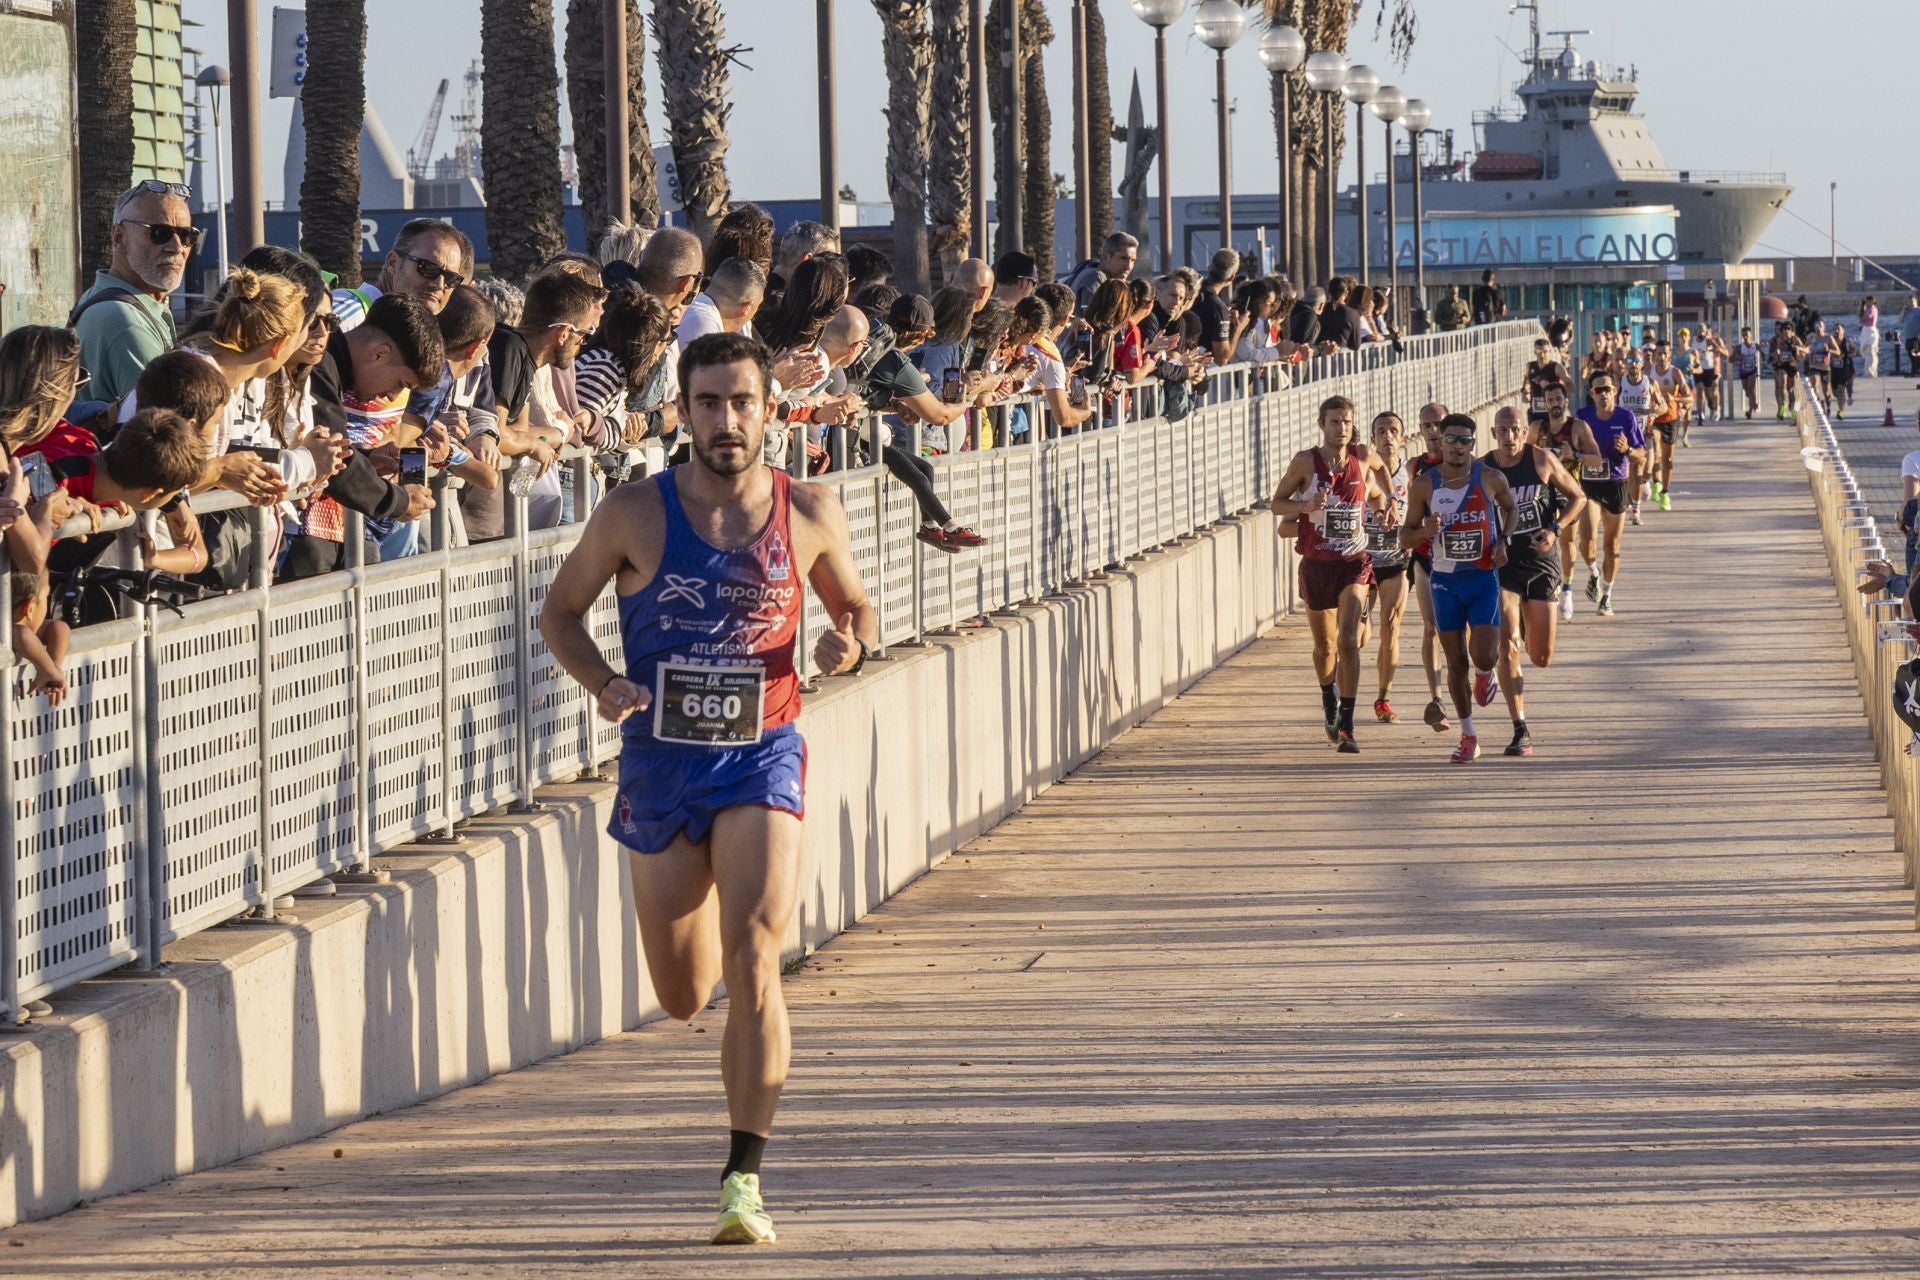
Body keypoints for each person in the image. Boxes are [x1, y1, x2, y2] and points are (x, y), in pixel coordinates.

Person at [537, 331, 877, 1248]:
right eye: (709, 404)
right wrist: (603, 682)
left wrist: (847, 641)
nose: (727, 422)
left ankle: (743, 1179)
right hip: (659, 764)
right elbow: (559, 613)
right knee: (685, 993)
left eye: (742, 403)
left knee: (757, 956)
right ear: (682, 412)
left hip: (762, 751)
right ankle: (727, 1110)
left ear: (772, 408)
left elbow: (853, 604)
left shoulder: (808, 508)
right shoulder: (631, 513)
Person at [1399, 412, 1516, 764]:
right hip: (1445, 583)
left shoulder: (1490, 478)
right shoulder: (1424, 484)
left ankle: (1486, 675)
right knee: (1454, 662)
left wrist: (1504, 542)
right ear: (1440, 441)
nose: (1456, 447)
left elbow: (1512, 510)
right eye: (1450, 439)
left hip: (1481, 579)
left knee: (1483, 654)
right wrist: (1424, 531)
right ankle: (1469, 736)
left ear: (1473, 444)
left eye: (1464, 441)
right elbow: (1404, 536)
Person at [1270, 395, 1384, 754]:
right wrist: (1304, 506)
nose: (1342, 428)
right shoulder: (1306, 462)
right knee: (1325, 648)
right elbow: (1276, 504)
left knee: (1348, 640)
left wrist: (1388, 505)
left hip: (1353, 562)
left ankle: (1348, 726)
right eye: (1335, 422)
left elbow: (1380, 483)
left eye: (1347, 422)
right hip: (1317, 565)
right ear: (1322, 425)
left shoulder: (1362, 457)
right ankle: (1328, 699)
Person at [1483, 406, 1586, 757]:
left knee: (1540, 656)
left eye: (1515, 430)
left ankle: (1522, 633)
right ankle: (1520, 728)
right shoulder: (1483, 470)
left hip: (1541, 563)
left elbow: (1578, 497)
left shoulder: (1541, 460)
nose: (1509, 437)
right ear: (1493, 433)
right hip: (1504, 565)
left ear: (1524, 431)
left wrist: (1555, 530)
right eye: (1503, 430)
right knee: (1508, 643)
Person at [70, 180, 196, 401]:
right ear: (119, 236)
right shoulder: (126, 322)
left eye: (186, 236)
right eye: (160, 232)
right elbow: (167, 424)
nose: (177, 247)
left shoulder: (101, 298)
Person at [1573, 370, 1645, 617]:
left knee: (1612, 546)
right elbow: (1571, 447)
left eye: (1607, 388)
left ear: (1616, 391)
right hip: (1590, 484)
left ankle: (1607, 594)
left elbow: (1641, 455)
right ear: (1591, 394)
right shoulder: (1582, 417)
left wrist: (1627, 450)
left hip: (1616, 483)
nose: (1603, 394)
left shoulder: (1627, 418)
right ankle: (1593, 572)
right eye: (1597, 390)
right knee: (1587, 541)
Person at [1532, 381, 1601, 622]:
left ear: (1566, 401)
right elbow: (1523, 455)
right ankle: (1550, 584)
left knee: (1568, 543)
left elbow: (1597, 460)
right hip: (1542, 494)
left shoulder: (1578, 427)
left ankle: (1568, 591)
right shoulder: (1537, 428)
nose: (1554, 404)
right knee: (1543, 541)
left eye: (1558, 399)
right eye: (1550, 400)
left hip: (1570, 492)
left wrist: (1576, 456)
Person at [1360, 411, 1411, 724]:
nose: (1388, 436)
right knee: (1358, 637)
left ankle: (1383, 698)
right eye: (1381, 431)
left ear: (1403, 439)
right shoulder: (1363, 472)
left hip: (1395, 560)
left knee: (1391, 628)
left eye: (1393, 430)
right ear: (1373, 440)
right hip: (1363, 562)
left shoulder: (1412, 474)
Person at [331, 217, 473, 329]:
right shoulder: (351, 310)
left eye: (451, 278)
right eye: (428, 268)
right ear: (393, 263)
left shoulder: (402, 328)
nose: (439, 284)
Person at [679, 257, 767, 346]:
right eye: (758, 305)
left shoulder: (742, 327)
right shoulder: (702, 323)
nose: (756, 312)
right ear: (746, 308)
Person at [1644, 341, 1689, 510]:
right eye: (1659, 353)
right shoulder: (1648, 372)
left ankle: (1664, 492)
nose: (1662, 357)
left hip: (1671, 419)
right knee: (1655, 452)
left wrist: (1678, 403)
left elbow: (1689, 397)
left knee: (1667, 459)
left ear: (1670, 355)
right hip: (1653, 418)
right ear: (1654, 356)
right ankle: (1655, 482)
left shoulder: (1675, 373)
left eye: (1665, 353)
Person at [1064, 231, 1139, 313]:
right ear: (1106, 257)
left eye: (1133, 260)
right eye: (1123, 258)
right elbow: (1090, 320)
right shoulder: (1095, 277)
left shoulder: (1104, 277)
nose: (1128, 266)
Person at [1192, 249, 1239, 367]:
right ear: (1231, 277)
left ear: (1209, 268)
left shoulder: (1191, 293)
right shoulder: (1218, 307)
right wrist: (1238, 328)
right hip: (1204, 372)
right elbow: (1222, 358)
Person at [1770, 322, 1806, 420]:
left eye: (1788, 329)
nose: (1786, 331)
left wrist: (1798, 349)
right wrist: (1776, 353)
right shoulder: (1778, 340)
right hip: (1782, 365)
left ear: (1792, 331)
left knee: (1792, 391)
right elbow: (1774, 354)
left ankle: (1794, 411)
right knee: (1782, 385)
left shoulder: (1795, 339)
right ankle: (1783, 405)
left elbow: (1805, 352)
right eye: (1784, 329)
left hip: (1793, 366)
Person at [1317, 278, 1364, 352]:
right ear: (1346, 292)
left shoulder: (1320, 309)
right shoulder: (1352, 314)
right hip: (1342, 358)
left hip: (1319, 358)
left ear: (1329, 291)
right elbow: (1355, 345)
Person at [1732, 325, 1763, 420]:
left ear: (1751, 335)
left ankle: (1749, 412)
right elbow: (1731, 358)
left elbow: (1763, 354)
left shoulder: (1755, 345)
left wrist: (1765, 358)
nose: (1745, 337)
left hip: (1752, 370)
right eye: (1743, 335)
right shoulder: (1739, 347)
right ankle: (1753, 403)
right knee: (1747, 392)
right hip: (1743, 371)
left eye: (1747, 335)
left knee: (1751, 390)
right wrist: (1738, 357)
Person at [1830, 322, 1858, 420]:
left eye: (1839, 329)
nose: (1837, 331)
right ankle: (1841, 405)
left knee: (1841, 390)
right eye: (1835, 329)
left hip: (1844, 369)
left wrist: (1850, 354)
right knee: (1835, 392)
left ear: (1843, 331)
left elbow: (1855, 350)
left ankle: (1841, 411)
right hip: (1833, 370)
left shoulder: (1847, 341)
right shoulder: (1831, 341)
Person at [1858, 295, 1880, 379]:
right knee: (1870, 352)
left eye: (1867, 301)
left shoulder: (1872, 310)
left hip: (1870, 331)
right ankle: (1871, 371)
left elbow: (1863, 319)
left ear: (1871, 301)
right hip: (1868, 330)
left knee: (1870, 352)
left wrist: (1860, 312)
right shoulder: (1868, 309)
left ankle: (1870, 372)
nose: (1866, 303)